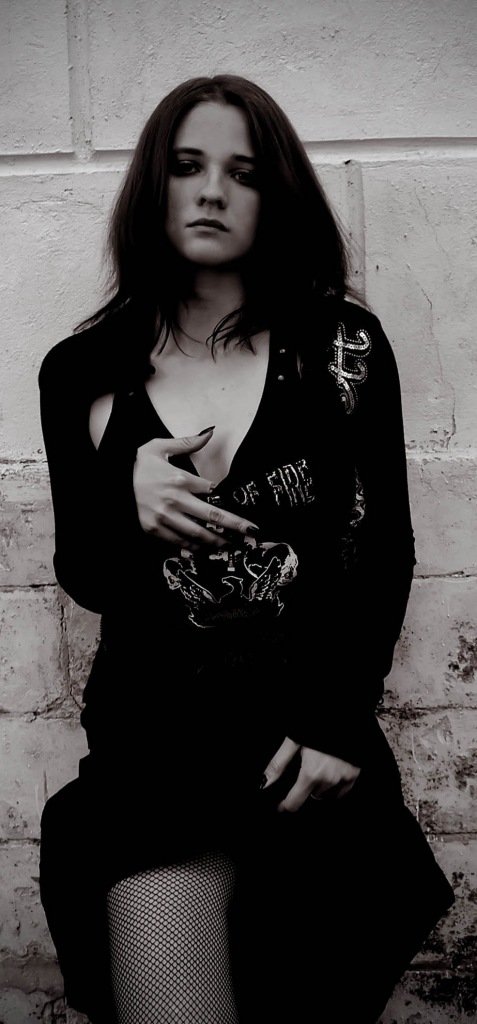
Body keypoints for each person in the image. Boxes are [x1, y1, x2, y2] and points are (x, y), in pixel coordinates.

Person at [38, 74, 454, 1024]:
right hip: (153, 765)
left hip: (305, 757)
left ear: (276, 196)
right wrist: (126, 502)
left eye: (244, 172)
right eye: (187, 166)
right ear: (155, 185)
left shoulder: (342, 348)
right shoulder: (80, 371)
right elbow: (87, 577)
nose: (212, 192)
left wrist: (338, 723)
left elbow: (380, 552)